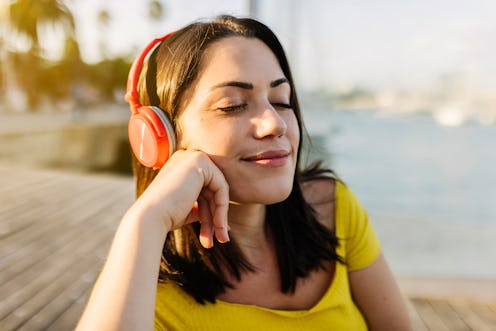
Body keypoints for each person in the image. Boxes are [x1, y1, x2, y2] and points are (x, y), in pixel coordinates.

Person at [76, 15, 412, 330]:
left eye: (281, 101)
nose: (275, 124)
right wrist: (146, 220)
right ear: (160, 138)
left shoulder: (332, 208)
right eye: (232, 105)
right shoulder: (141, 295)